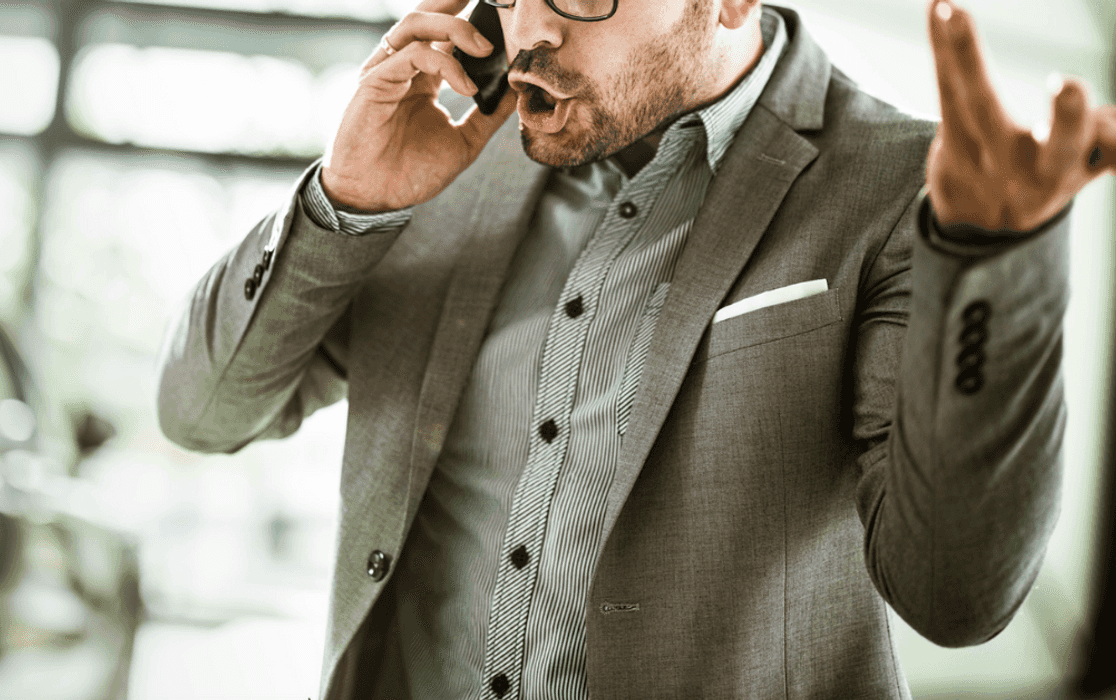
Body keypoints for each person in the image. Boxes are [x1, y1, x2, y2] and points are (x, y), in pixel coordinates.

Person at [156, 0, 1116, 697]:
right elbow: (202, 411)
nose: (530, 28)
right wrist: (348, 200)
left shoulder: (900, 188)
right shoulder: (437, 158)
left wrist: (989, 269)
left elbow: (955, 594)